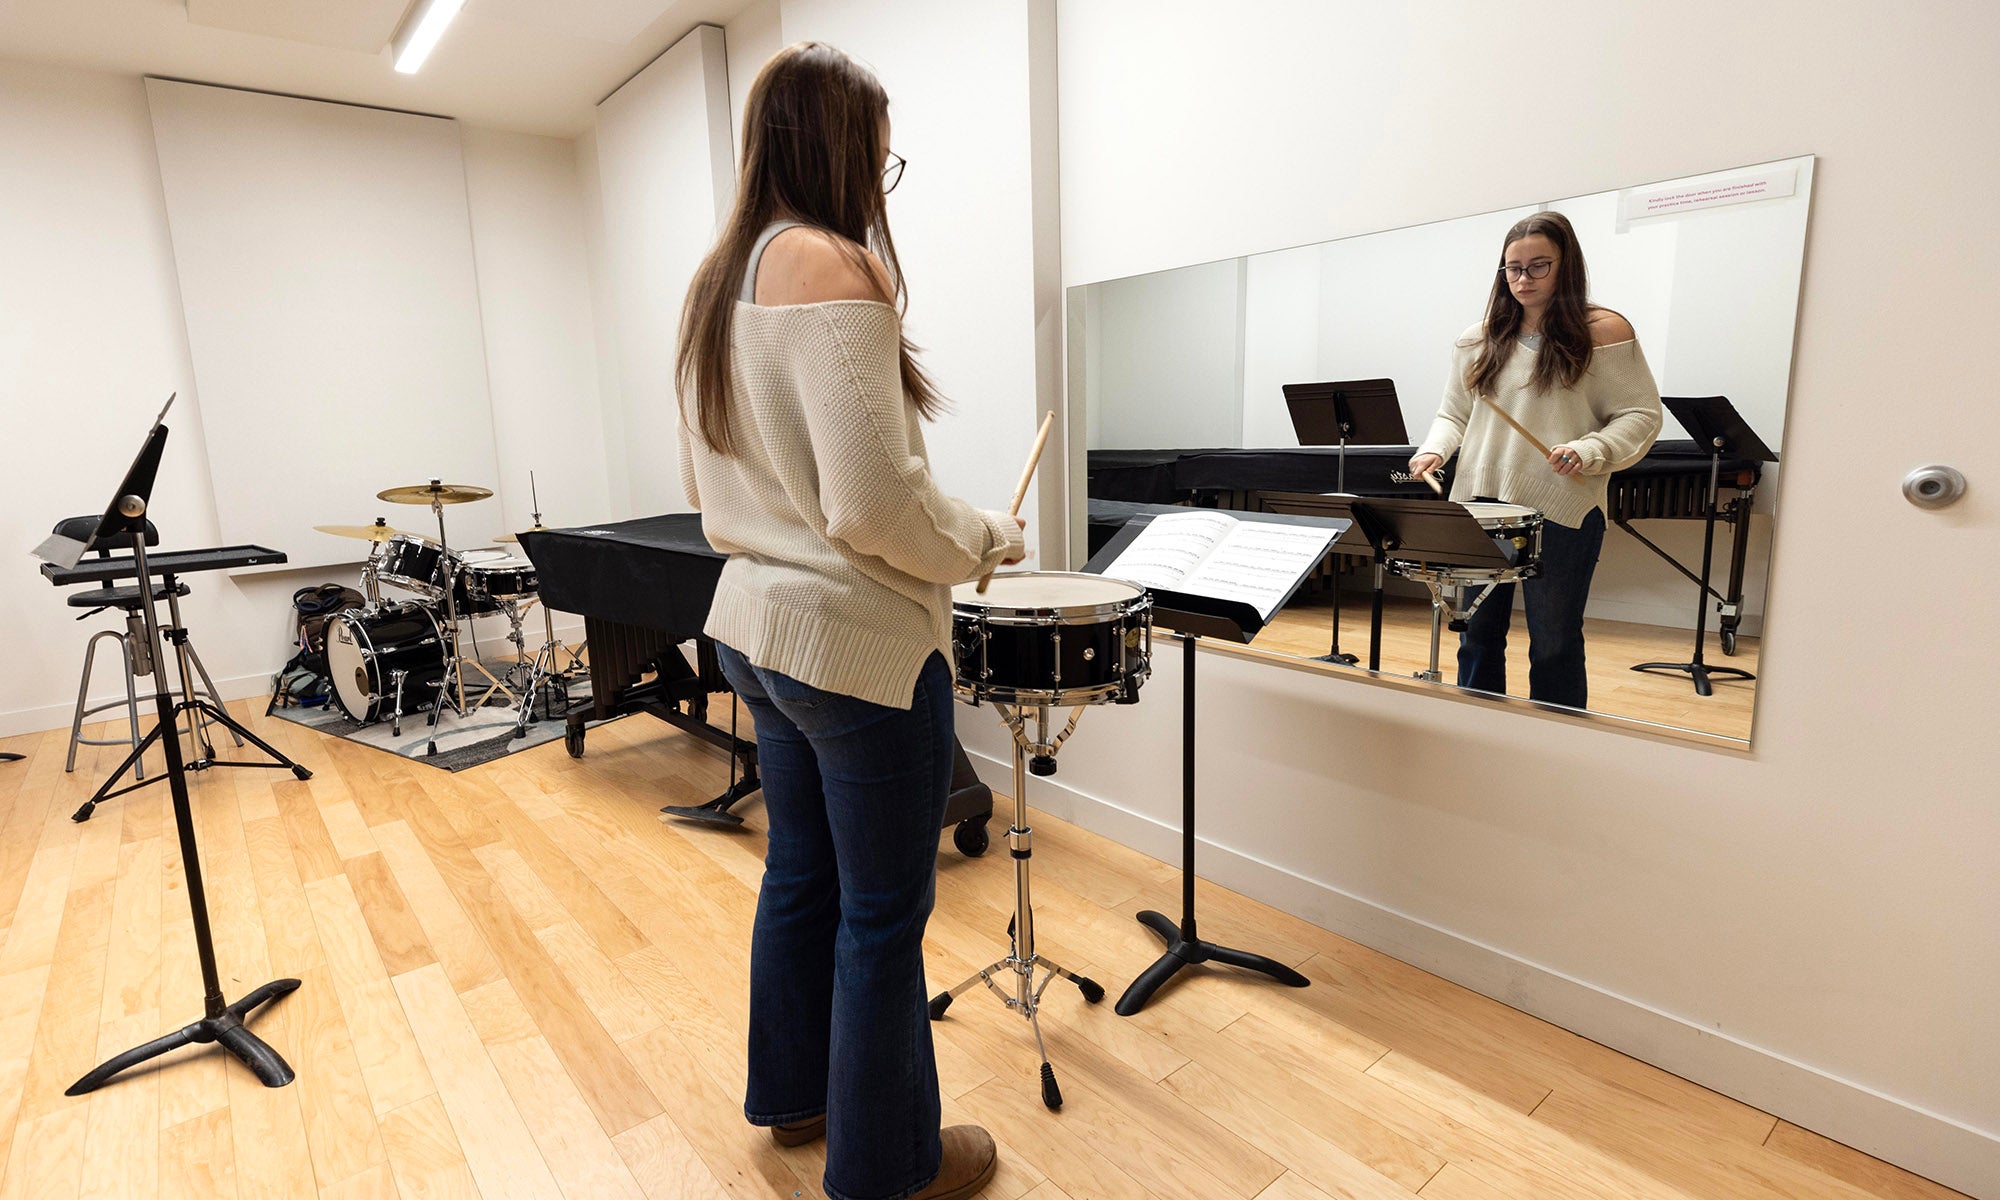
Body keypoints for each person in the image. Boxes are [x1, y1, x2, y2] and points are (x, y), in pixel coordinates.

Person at [674, 41, 1022, 1200]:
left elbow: (730, 483)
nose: (884, 174)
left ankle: (795, 1101)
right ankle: (890, 1170)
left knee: (802, 881)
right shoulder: (829, 265)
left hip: (757, 633)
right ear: (844, 144)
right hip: (854, 646)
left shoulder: (716, 278)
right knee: (880, 915)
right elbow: (871, 506)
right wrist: (981, 538)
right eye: (882, 150)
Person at [1408, 211, 1661, 709]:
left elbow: (1640, 415)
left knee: (1554, 641)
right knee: (1477, 634)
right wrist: (1435, 448)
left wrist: (1590, 450)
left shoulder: (1603, 330)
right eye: (1513, 268)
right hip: (1479, 505)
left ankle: (1557, 736)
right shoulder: (1478, 337)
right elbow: (1453, 412)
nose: (1523, 279)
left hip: (1562, 508)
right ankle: (1480, 729)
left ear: (1567, 265)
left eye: (1538, 266)